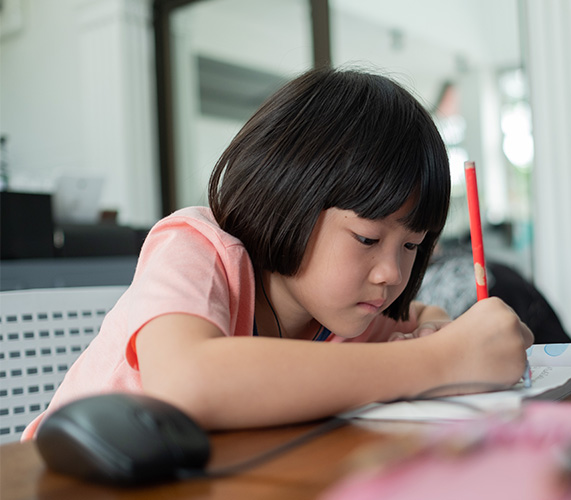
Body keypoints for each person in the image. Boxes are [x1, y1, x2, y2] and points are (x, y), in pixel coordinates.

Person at [22, 67, 533, 438]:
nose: (389, 274)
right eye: (367, 239)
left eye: (412, 247)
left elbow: (416, 316)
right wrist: (440, 361)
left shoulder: (342, 312)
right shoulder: (197, 248)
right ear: (289, 195)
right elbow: (187, 382)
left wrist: (437, 325)